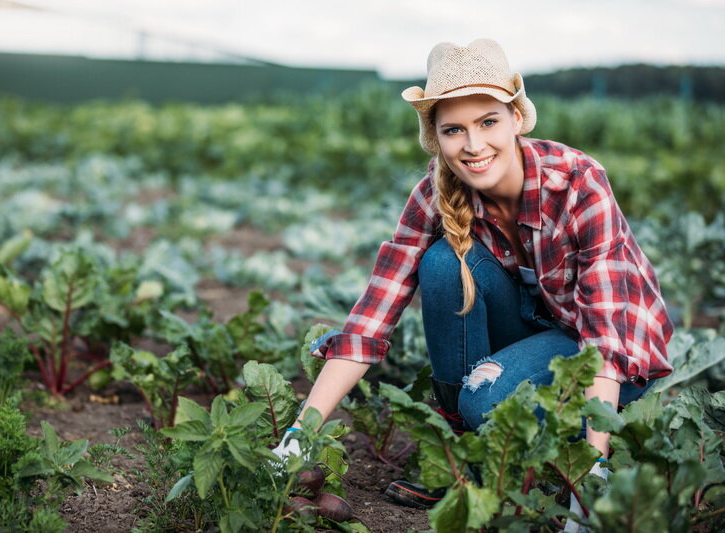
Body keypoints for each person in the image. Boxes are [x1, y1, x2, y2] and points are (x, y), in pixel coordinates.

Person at [273, 38, 674, 512]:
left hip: (611, 359)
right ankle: (460, 460)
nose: (473, 145)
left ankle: (576, 446)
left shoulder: (577, 182)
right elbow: (373, 316)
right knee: (443, 261)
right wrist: (299, 433)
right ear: (436, 137)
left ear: (517, 119)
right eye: (454, 130)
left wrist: (590, 469)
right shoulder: (434, 193)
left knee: (485, 405)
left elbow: (605, 338)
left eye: (488, 122)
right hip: (534, 332)